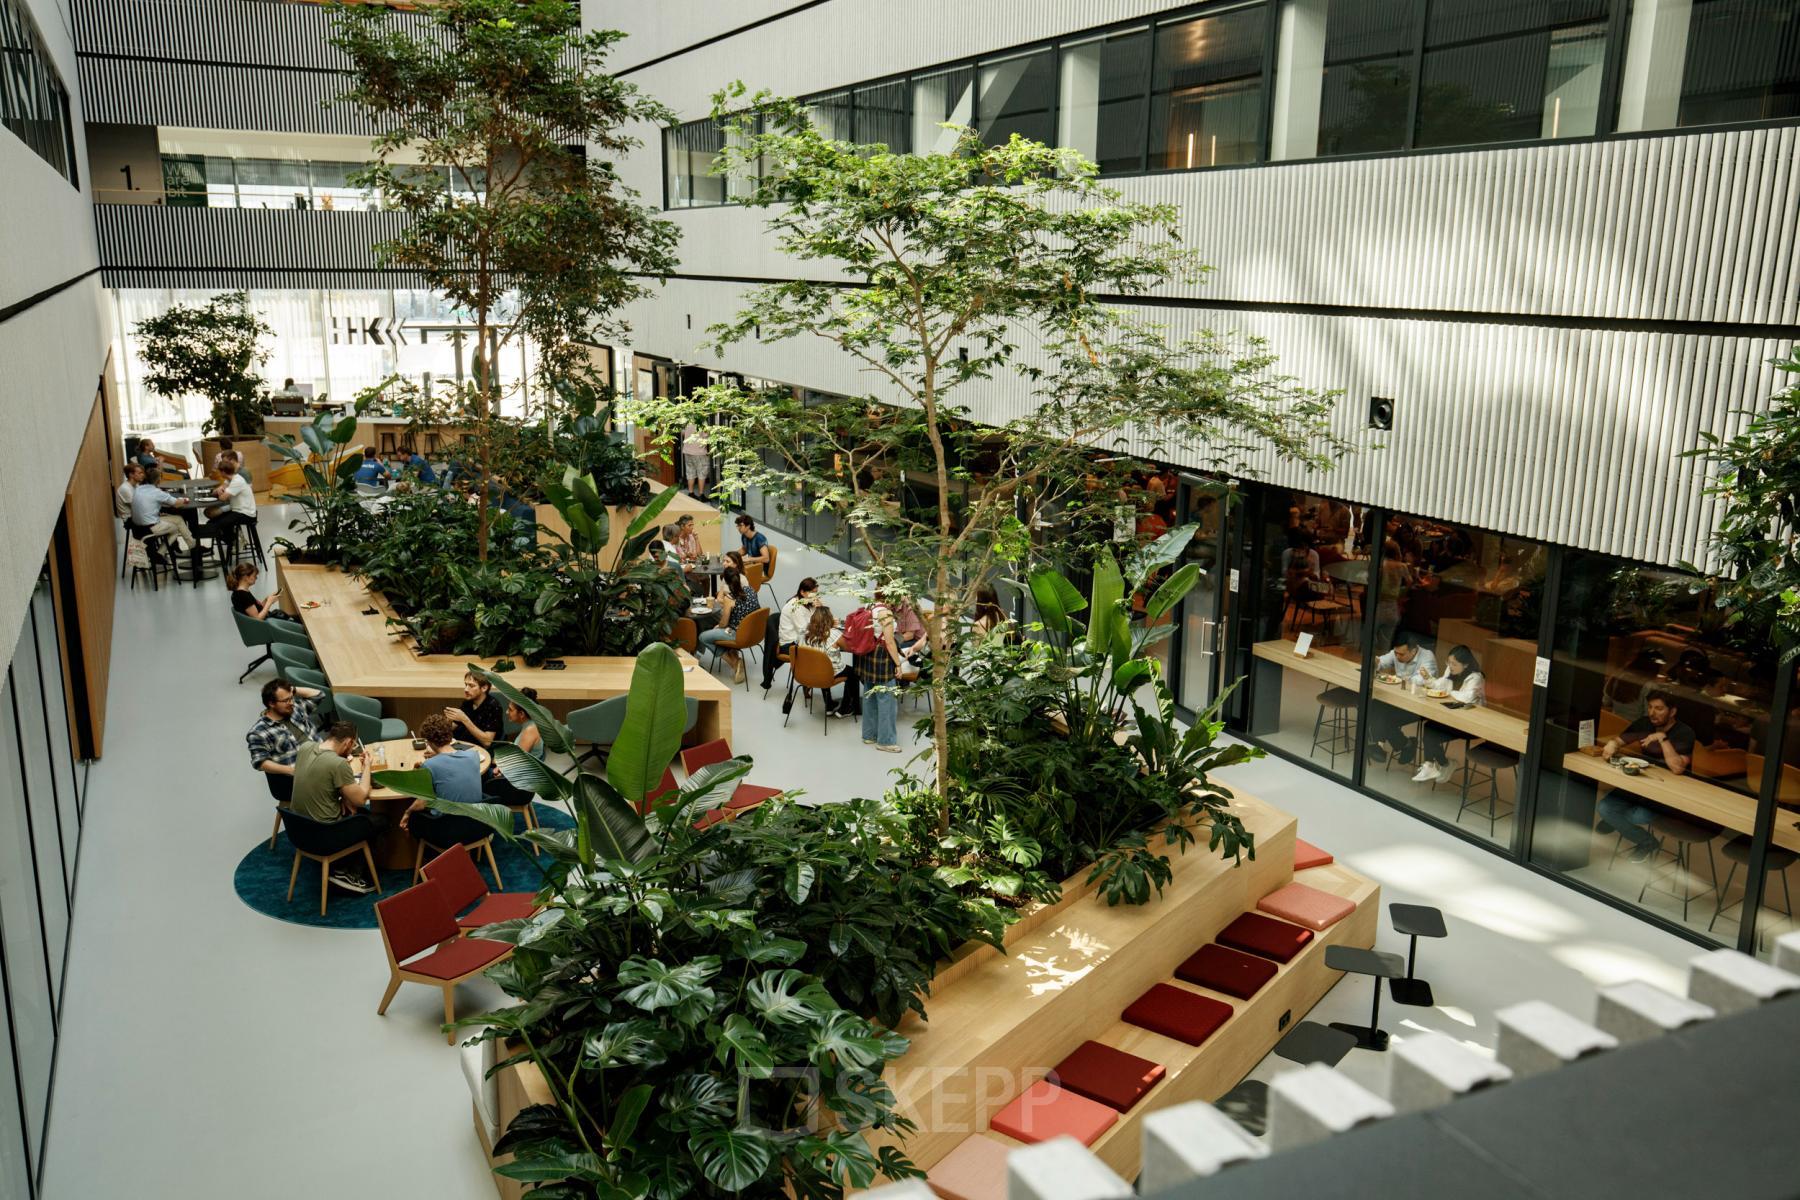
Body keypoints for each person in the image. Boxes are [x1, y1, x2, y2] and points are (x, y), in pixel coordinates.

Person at [1597, 690, 1697, 863]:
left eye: (1658, 708)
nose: (1652, 713)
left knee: (1638, 817)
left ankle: (1615, 820)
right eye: (1650, 707)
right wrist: (1613, 744)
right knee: (1604, 808)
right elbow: (1620, 740)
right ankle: (1647, 841)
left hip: (1665, 792)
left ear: (1672, 712)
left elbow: (1677, 768)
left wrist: (1663, 739)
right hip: (1639, 783)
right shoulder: (1644, 723)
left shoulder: (1685, 732)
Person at [287, 721, 385, 892]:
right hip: (325, 833)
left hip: (298, 829)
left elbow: (319, 781)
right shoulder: (337, 764)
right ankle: (349, 873)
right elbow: (361, 798)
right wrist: (367, 766)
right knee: (379, 821)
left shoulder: (306, 747)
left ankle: (346, 863)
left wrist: (342, 798)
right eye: (352, 745)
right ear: (347, 743)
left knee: (356, 811)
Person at [401, 714, 496, 848]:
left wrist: (407, 812)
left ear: (429, 742)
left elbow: (421, 803)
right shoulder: (473, 756)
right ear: (450, 737)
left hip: (447, 831)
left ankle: (421, 855)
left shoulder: (430, 766)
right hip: (479, 824)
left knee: (414, 817)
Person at [1411, 646, 1486, 784]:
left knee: (1430, 729)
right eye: (1449, 662)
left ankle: (1442, 764)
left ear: (1466, 665)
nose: (1450, 666)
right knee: (1429, 727)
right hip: (1452, 718)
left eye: (1454, 664)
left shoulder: (1476, 677)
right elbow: (1439, 685)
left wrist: (1449, 693)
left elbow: (1468, 697)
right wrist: (1428, 678)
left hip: (1470, 725)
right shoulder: (1451, 670)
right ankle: (1432, 765)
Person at [246, 678, 324, 803]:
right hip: (299, 776)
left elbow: (319, 695)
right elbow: (261, 763)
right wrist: (292, 771)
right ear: (271, 703)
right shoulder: (258, 732)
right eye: (286, 700)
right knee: (344, 780)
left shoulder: (294, 709)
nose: (291, 702)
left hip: (321, 757)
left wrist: (293, 690)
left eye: (291, 698)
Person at [1365, 633, 1439, 765]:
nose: (1397, 656)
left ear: (1414, 651)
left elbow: (1419, 681)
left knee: (1381, 715)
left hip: (1419, 705)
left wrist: (1399, 679)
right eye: (1396, 653)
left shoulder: (1427, 657)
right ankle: (1398, 744)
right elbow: (1381, 662)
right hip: (1398, 700)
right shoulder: (1397, 653)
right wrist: (1376, 662)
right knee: (1375, 705)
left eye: (1401, 654)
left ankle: (1395, 745)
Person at [849, 593, 909, 753]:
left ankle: (869, 735)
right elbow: (889, 642)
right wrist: (898, 664)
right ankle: (886, 741)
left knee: (870, 695)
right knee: (887, 700)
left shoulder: (870, 607)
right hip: (881, 656)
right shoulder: (886, 613)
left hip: (867, 654)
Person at [483, 688, 545, 808]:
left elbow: (516, 763)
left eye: (510, 710)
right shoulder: (531, 725)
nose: (507, 712)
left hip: (519, 789)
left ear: (521, 714)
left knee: (475, 779)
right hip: (520, 781)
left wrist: (499, 767)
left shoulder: (530, 731)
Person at [700, 565, 759, 684]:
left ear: (726, 582)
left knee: (703, 637)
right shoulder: (751, 590)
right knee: (715, 630)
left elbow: (724, 623)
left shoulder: (730, 598)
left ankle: (734, 663)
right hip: (754, 632)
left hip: (736, 633)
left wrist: (718, 627)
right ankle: (734, 657)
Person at [800, 605, 858, 717]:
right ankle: (845, 708)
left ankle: (829, 705)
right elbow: (848, 648)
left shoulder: (806, 633)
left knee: (820, 666)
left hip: (810, 672)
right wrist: (835, 628)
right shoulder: (833, 633)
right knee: (854, 673)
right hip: (830, 672)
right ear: (829, 619)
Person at [767, 577, 822, 694]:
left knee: (822, 648)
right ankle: (810, 682)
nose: (815, 596)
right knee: (820, 652)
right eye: (812, 593)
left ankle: (812, 682)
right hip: (789, 645)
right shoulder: (794, 606)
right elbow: (804, 630)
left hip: (800, 639)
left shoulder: (808, 602)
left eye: (816, 593)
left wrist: (820, 609)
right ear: (802, 592)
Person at [129, 464, 195, 553]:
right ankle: (160, 553)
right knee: (175, 529)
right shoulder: (157, 492)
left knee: (178, 519)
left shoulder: (138, 489)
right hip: (150, 527)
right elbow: (177, 504)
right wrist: (186, 499)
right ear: (158, 480)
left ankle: (192, 544)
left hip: (137, 526)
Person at [445, 671, 505, 747]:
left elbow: (487, 742)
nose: (466, 689)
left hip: (480, 750)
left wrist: (464, 719)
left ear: (484, 688)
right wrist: (449, 719)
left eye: (471, 686)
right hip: (461, 744)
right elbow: (451, 728)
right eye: (466, 685)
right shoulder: (468, 702)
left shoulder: (493, 706)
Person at [210, 453, 257, 548]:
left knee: (219, 524)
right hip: (237, 510)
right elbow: (221, 489)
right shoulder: (231, 479)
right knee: (213, 521)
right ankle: (233, 540)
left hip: (245, 513)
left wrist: (221, 493)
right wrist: (220, 491)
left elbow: (223, 498)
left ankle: (235, 542)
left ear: (223, 473)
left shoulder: (237, 480)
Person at [1603, 650, 1664, 723]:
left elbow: (1606, 702)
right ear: (1654, 667)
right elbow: (1649, 715)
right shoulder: (1649, 686)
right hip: (1633, 729)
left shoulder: (1616, 677)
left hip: (1613, 723)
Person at [227, 563, 299, 621]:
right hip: (266, 626)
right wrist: (269, 603)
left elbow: (257, 609)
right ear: (246, 577)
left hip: (267, 621)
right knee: (299, 620)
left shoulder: (239, 592)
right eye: (254, 576)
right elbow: (257, 619)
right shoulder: (242, 595)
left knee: (297, 618)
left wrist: (267, 600)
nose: (256, 578)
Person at [680, 423, 710, 496]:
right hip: (699, 452)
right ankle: (701, 495)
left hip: (687, 451)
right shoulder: (703, 423)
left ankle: (691, 493)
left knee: (690, 472)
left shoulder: (688, 422)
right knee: (702, 473)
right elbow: (707, 437)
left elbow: (683, 433)